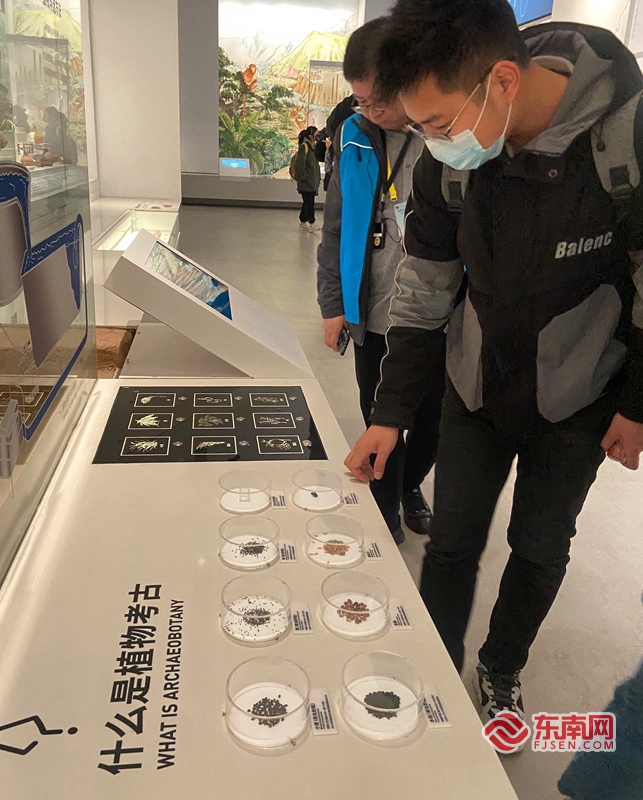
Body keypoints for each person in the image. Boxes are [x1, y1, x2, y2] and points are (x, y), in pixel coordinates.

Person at [345, 0, 643, 729]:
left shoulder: (624, 141)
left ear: (503, 80)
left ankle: (501, 667)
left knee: (540, 549)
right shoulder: (450, 167)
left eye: (438, 124)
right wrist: (389, 414)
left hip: (579, 397)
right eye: (419, 127)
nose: (432, 143)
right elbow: (424, 290)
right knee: (450, 542)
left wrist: (637, 405)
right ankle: (434, 670)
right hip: (473, 385)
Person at [317, 18, 441, 544]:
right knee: (378, 416)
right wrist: (333, 303)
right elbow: (335, 224)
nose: (368, 111)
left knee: (431, 424)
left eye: (378, 101)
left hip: (435, 318)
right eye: (360, 100)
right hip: (371, 311)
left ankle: (409, 483)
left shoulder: (445, 136)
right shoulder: (352, 135)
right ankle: (386, 505)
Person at [295, 126, 321, 232]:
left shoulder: (313, 148)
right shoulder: (304, 147)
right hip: (306, 183)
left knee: (307, 202)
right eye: (317, 133)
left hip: (311, 182)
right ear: (311, 135)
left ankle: (302, 222)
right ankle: (312, 223)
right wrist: (305, 178)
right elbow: (299, 165)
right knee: (310, 203)